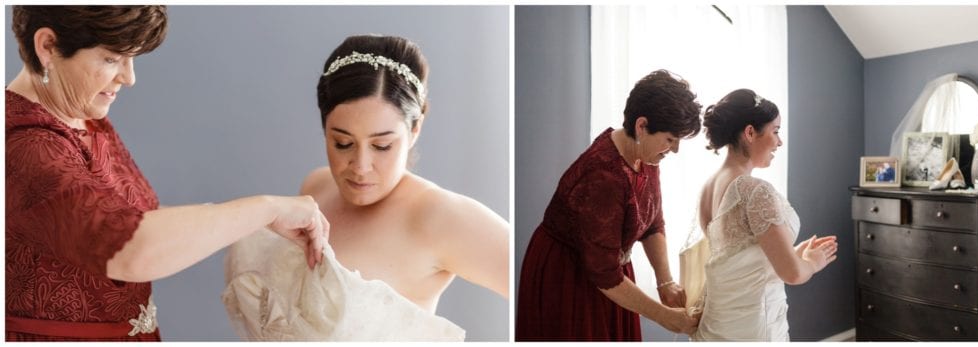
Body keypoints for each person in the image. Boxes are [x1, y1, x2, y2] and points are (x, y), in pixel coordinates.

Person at [5, 6, 329, 341]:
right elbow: (130, 248)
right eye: (112, 59)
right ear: (47, 46)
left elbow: (142, 219)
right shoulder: (23, 145)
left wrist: (256, 226)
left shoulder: (83, 117)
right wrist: (267, 208)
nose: (129, 78)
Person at [222, 35, 509, 341]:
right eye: (342, 143)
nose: (360, 166)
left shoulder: (439, 216)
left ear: (415, 129)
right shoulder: (316, 185)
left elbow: (546, 282)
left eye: (382, 146)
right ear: (324, 128)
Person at [516, 70, 703, 341]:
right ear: (642, 126)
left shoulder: (645, 155)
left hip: (609, 269)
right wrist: (664, 316)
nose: (674, 150)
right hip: (569, 276)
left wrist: (665, 282)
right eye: (670, 139)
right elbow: (603, 273)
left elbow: (652, 223)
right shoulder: (604, 176)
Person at [686, 89, 838, 341]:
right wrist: (812, 261)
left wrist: (793, 252)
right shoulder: (754, 190)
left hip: (718, 324)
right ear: (750, 133)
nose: (780, 142)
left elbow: (737, 257)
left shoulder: (708, 186)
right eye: (776, 131)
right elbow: (793, 274)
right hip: (755, 327)